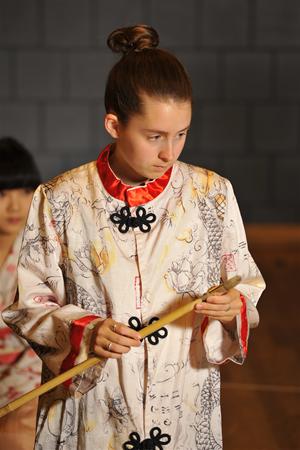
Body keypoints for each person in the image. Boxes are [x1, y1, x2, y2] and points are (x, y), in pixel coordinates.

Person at [3, 25, 265, 450]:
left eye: (182, 134)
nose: (170, 153)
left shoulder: (212, 194)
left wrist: (230, 306)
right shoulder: (60, 198)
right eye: (155, 136)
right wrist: (87, 332)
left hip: (181, 400)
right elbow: (28, 305)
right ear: (114, 124)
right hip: (92, 406)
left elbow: (246, 291)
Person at [0, 137, 42, 449]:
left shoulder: (40, 253)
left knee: (16, 433)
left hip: (28, 370)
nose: (14, 206)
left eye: (25, 192)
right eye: (2, 193)